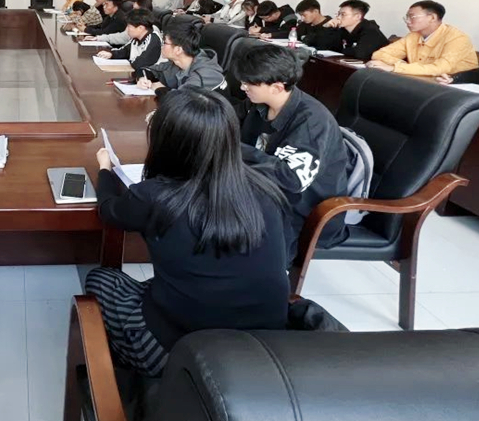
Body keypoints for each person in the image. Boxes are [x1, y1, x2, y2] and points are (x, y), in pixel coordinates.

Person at [85, 88, 289, 376]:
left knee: (101, 279)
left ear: (167, 142)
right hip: (263, 346)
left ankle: (126, 371)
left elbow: (108, 211)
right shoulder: (264, 188)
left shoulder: (156, 196)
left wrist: (105, 170)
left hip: (181, 353)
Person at [234, 44, 350, 258]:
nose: (243, 87)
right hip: (263, 191)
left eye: (249, 83)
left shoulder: (312, 121)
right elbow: (227, 121)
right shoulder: (257, 103)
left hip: (302, 210)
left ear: (277, 87)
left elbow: (292, 178)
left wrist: (234, 149)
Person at [368, 0, 478, 76]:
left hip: (455, 86)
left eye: (412, 17)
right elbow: (379, 54)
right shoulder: (413, 36)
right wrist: (403, 66)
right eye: (406, 17)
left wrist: (395, 68)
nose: (407, 21)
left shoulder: (457, 38)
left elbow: (440, 68)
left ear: (432, 18)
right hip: (422, 80)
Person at [137, 20, 226, 97]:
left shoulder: (204, 73)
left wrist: (159, 89)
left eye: (165, 43)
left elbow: (181, 100)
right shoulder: (177, 63)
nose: (162, 46)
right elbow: (149, 70)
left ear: (178, 50)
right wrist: (142, 78)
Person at [96, 9, 163, 75]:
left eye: (129, 26)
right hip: (139, 75)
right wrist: (111, 54)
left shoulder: (153, 39)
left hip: (152, 77)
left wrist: (130, 60)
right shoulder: (136, 39)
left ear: (140, 28)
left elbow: (140, 63)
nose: (127, 29)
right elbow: (124, 51)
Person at [322, 0, 389, 60]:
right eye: (338, 14)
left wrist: (342, 50)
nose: (338, 17)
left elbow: (360, 54)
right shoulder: (343, 30)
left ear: (357, 16)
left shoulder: (371, 31)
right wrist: (327, 27)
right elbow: (326, 47)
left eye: (343, 14)